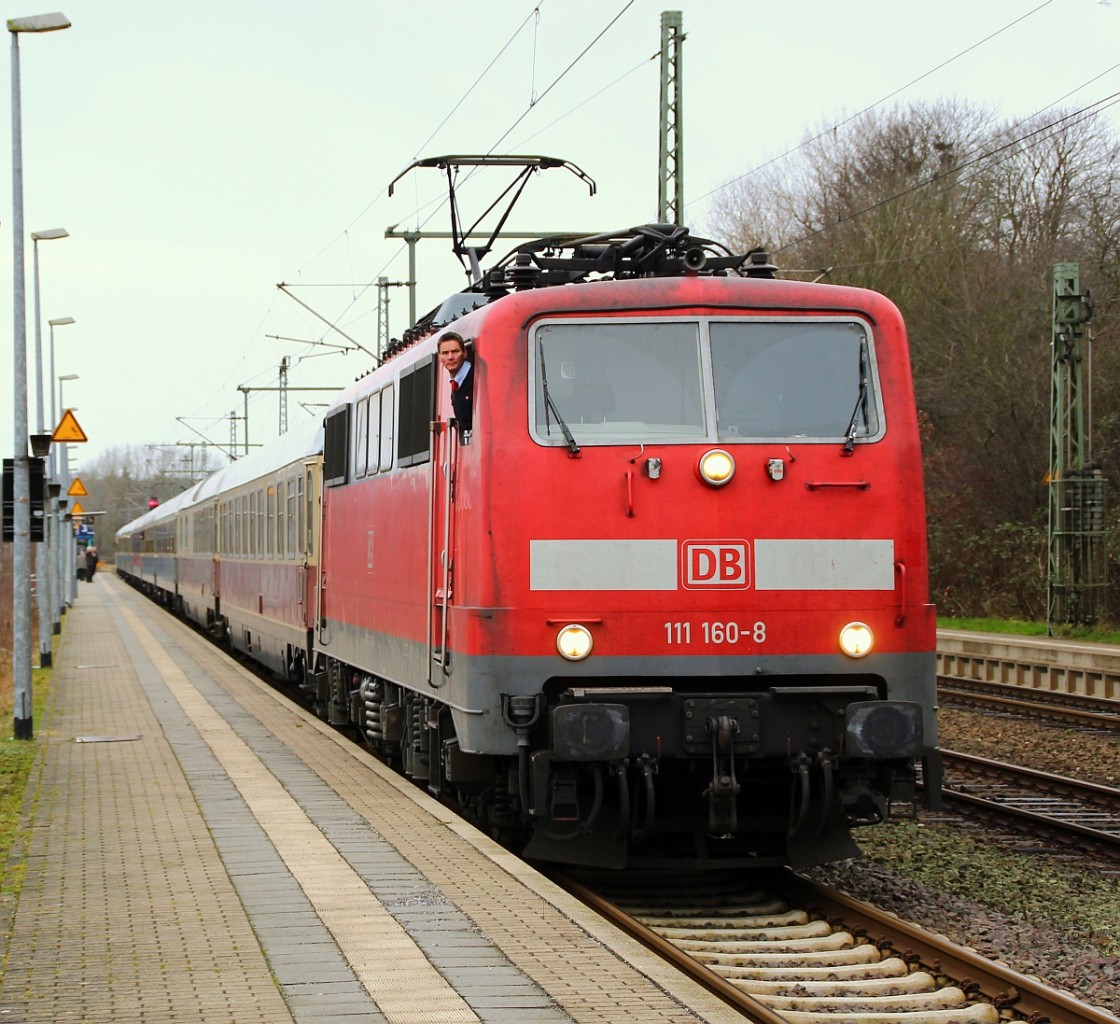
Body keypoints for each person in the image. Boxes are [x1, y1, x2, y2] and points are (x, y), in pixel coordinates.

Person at [437, 331, 473, 433]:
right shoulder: (456, 384)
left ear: (464, 353)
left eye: (455, 351)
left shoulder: (476, 377)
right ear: (440, 358)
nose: (450, 357)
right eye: (445, 353)